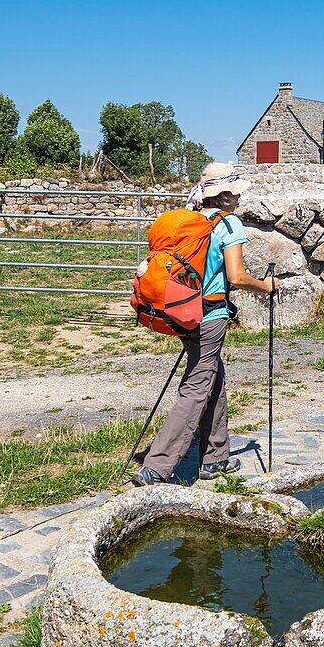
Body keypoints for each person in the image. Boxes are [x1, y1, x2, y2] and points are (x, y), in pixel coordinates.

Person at [131, 162, 277, 486]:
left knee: (214, 376)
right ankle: (157, 466)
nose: (238, 199)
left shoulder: (192, 223)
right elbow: (236, 277)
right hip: (211, 316)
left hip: (184, 313)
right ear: (224, 197)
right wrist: (267, 286)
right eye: (235, 194)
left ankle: (215, 458)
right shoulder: (229, 226)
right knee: (198, 384)